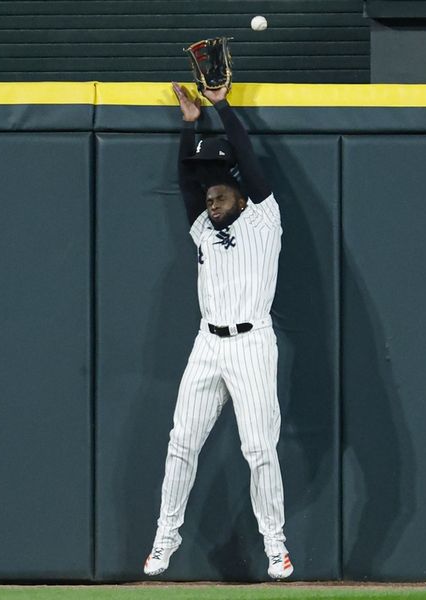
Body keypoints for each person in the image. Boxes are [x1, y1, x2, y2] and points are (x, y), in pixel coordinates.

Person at [143, 82, 293, 580]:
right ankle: (166, 534)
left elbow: (247, 158)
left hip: (252, 344)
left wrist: (221, 106)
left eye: (218, 192)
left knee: (258, 449)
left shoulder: (264, 218)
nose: (209, 200)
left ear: (240, 190)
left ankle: (276, 545)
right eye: (206, 196)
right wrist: (188, 125)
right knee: (180, 442)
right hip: (208, 344)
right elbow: (187, 181)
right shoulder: (203, 228)